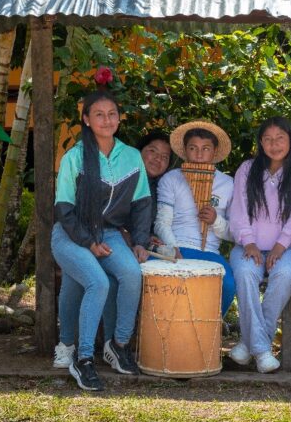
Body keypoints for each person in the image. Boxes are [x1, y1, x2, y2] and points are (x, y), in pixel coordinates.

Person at [51, 91, 152, 391]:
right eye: (99, 114)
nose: (106, 120)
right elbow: (64, 210)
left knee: (132, 274)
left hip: (108, 233)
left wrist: (140, 242)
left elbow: (142, 203)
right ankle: (82, 359)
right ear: (86, 119)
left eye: (112, 114)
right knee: (98, 282)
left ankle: (117, 344)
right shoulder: (74, 157)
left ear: (119, 118)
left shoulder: (132, 156)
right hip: (71, 234)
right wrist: (88, 242)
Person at [53, 130, 172, 370]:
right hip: (80, 233)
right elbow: (70, 207)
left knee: (121, 278)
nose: (158, 159)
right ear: (140, 152)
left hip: (112, 239)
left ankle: (115, 345)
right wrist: (96, 240)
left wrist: (142, 240)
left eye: (165, 156)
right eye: (152, 151)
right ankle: (71, 348)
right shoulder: (90, 160)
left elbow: (143, 216)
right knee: (85, 279)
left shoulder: (161, 186)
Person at [229, 117, 291, 373]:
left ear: (290, 140)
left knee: (286, 274)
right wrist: (249, 242)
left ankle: (250, 344)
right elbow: (238, 212)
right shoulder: (247, 169)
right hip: (248, 246)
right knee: (245, 274)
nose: (274, 144)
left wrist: (280, 245)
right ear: (260, 142)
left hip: (288, 249)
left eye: (280, 138)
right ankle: (263, 350)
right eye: (267, 138)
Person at [154, 120, 236, 317]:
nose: (199, 154)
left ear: (215, 152)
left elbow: (234, 233)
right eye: (193, 148)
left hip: (209, 252)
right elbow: (161, 223)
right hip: (173, 248)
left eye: (205, 148)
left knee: (229, 285)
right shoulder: (171, 179)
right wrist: (173, 248)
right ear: (185, 151)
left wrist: (216, 220)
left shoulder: (229, 184)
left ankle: (210, 331)